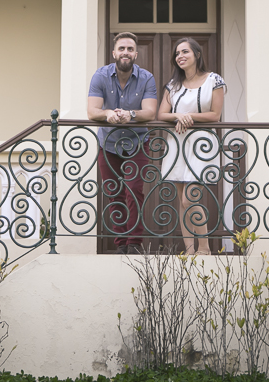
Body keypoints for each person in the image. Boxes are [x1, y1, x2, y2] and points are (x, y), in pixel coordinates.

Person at [88, 32, 158, 254]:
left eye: (129, 49)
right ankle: (120, 244)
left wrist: (131, 115)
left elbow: (150, 112)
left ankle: (134, 243)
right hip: (107, 143)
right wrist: (108, 113)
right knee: (113, 191)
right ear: (114, 53)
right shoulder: (100, 76)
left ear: (136, 53)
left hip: (137, 141)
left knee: (134, 190)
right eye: (121, 49)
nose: (125, 53)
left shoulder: (147, 78)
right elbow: (92, 111)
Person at [157, 38, 226, 256]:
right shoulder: (173, 85)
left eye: (185, 51)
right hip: (177, 142)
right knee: (181, 200)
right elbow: (162, 114)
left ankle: (204, 248)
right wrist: (179, 115)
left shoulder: (214, 80)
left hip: (202, 144)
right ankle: (189, 249)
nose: (180, 56)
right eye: (177, 53)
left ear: (197, 54)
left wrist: (189, 117)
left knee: (190, 197)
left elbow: (215, 115)